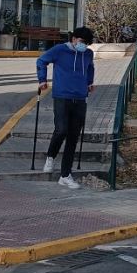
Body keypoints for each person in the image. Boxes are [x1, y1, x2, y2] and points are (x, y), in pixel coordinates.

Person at [38, 26, 96, 189]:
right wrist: (42, 79)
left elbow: (90, 67)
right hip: (62, 96)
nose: (84, 45)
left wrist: (90, 82)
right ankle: (50, 156)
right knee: (61, 129)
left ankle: (65, 175)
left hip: (80, 97)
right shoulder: (60, 50)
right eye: (82, 41)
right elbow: (41, 61)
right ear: (74, 38)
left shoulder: (88, 53)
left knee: (73, 136)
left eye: (87, 43)